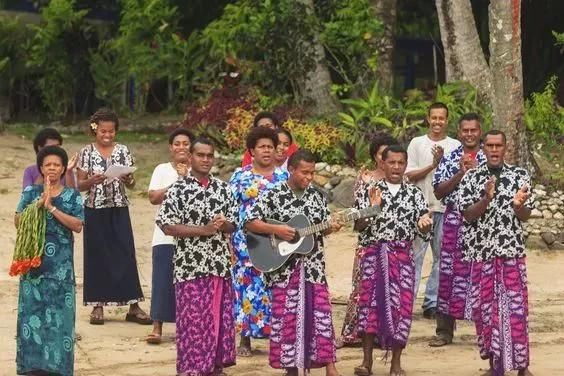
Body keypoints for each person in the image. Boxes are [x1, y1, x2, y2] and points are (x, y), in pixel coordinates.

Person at [245, 149, 343, 376]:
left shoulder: (316, 197)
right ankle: (291, 369)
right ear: (291, 169)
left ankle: (329, 365)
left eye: (312, 173)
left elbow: (322, 228)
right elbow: (250, 222)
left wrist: (331, 226)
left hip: (313, 268)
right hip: (283, 269)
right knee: (286, 320)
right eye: (304, 172)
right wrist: (276, 229)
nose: (309, 177)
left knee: (320, 316)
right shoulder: (273, 194)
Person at [156, 137, 237, 376]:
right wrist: (203, 230)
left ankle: (215, 366)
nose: (205, 160)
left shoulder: (223, 188)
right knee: (193, 322)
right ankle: (192, 368)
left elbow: (235, 224)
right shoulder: (178, 189)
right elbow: (167, 225)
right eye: (201, 155)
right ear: (190, 157)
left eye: (209, 156)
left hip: (219, 266)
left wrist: (224, 225)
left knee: (217, 318)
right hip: (189, 267)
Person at [354, 145, 433, 376]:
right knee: (368, 306)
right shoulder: (369, 190)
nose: (396, 167)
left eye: (401, 163)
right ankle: (366, 362)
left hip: (402, 258)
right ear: (383, 163)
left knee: (403, 308)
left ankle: (396, 362)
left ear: (406, 165)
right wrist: (372, 209)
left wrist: (424, 225)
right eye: (392, 162)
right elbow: (358, 226)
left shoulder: (415, 194)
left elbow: (423, 229)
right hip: (374, 256)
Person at [458, 130, 533, 376]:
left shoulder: (519, 175)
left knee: (516, 312)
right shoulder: (471, 178)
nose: (493, 150)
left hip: (511, 254)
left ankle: (522, 367)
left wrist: (518, 206)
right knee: (487, 313)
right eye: (489, 145)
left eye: (498, 145)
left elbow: (525, 216)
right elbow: (467, 215)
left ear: (505, 147)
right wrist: (486, 199)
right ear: (482, 147)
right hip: (483, 256)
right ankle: (493, 365)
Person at [76, 108, 150, 325]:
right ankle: (97, 306)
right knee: (97, 255)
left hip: (119, 206)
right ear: (94, 130)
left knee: (126, 253)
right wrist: (92, 181)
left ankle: (133, 306)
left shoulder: (123, 150)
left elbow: (133, 182)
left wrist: (128, 181)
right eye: (103, 131)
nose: (107, 135)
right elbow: (80, 185)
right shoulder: (86, 152)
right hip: (94, 208)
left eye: (111, 132)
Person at [15, 146, 84, 376]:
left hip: (60, 271)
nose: (52, 168)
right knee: (31, 320)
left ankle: (58, 369)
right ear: (41, 169)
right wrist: (36, 205)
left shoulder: (72, 195)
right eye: (48, 165)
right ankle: (32, 369)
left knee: (60, 322)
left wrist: (51, 207)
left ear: (63, 168)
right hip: (33, 269)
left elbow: (77, 225)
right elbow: (17, 221)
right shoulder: (29, 192)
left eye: (56, 165)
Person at [229, 127, 289, 356]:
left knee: (276, 288)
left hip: (278, 243)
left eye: (271, 147)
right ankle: (245, 339)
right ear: (252, 150)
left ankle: (278, 338)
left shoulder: (285, 178)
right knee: (246, 289)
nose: (267, 151)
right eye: (262, 147)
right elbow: (230, 209)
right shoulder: (240, 176)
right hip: (246, 245)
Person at [429, 113, 486, 347]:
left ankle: (485, 332)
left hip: (483, 223)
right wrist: (461, 172)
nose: (470, 134)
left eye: (474, 130)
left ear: (479, 131)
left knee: (482, 274)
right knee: (448, 274)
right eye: (465, 130)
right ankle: (444, 331)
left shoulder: (489, 158)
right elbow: (439, 192)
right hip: (454, 220)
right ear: (459, 132)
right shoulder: (451, 158)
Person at [338, 134, 397, 348]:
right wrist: (372, 209)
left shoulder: (401, 180)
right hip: (368, 244)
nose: (387, 159)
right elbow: (356, 215)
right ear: (375, 156)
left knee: (390, 289)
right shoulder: (365, 179)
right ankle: (355, 333)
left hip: (393, 246)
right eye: (383, 155)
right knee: (362, 289)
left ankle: (385, 334)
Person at [406, 102, 461, 319]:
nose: (437, 122)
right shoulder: (417, 143)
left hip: (445, 209)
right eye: (434, 117)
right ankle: (406, 303)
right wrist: (433, 164)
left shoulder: (455, 145)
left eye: (442, 118)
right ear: (428, 119)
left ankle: (431, 303)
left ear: (447, 120)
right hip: (420, 210)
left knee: (441, 258)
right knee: (415, 257)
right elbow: (408, 176)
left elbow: (457, 178)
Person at [145, 128, 195, 344]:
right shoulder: (161, 169)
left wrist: (188, 179)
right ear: (170, 147)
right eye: (177, 143)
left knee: (188, 282)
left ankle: (186, 327)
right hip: (165, 235)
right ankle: (157, 325)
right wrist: (178, 183)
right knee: (162, 279)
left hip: (192, 235)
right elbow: (153, 197)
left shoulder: (199, 171)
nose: (181, 147)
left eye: (185, 143)